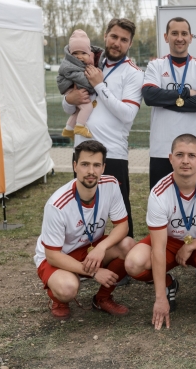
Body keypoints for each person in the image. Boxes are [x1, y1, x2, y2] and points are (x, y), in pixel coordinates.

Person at [124, 134, 196, 330]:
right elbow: (158, 249)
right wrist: (160, 298)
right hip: (169, 241)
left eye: (191, 155)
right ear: (171, 158)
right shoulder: (159, 193)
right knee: (133, 264)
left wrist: (191, 246)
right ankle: (168, 284)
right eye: (179, 155)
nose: (185, 161)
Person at [34, 140, 136, 320]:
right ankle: (59, 299)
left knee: (128, 245)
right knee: (67, 289)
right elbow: (52, 255)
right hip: (59, 254)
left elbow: (123, 226)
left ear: (103, 167)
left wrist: (101, 248)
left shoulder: (110, 184)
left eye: (96, 165)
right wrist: (95, 272)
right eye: (85, 164)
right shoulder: (57, 204)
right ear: (75, 166)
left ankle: (102, 298)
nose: (91, 171)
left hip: (90, 247)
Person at [63, 18, 144, 239]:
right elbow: (69, 107)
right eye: (114, 36)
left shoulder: (133, 73)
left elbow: (128, 114)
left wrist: (99, 85)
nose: (117, 43)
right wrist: (69, 99)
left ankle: (124, 256)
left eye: (124, 40)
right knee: (81, 211)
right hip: (82, 151)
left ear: (130, 44)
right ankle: (82, 253)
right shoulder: (88, 62)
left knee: (120, 213)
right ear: (105, 36)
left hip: (113, 153)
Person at [142, 17, 196, 190]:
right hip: (162, 149)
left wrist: (165, 100)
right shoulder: (155, 66)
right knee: (161, 199)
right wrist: (186, 93)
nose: (179, 38)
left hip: (195, 151)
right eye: (174, 33)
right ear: (166, 37)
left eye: (184, 33)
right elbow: (150, 97)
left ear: (191, 37)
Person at [58, 29, 103, 139]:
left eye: (83, 53)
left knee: (79, 110)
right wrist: (94, 83)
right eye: (75, 53)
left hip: (75, 89)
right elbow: (82, 79)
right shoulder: (68, 65)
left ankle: (68, 129)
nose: (79, 56)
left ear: (89, 54)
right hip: (70, 89)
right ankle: (79, 126)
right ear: (70, 54)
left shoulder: (85, 63)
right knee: (87, 107)